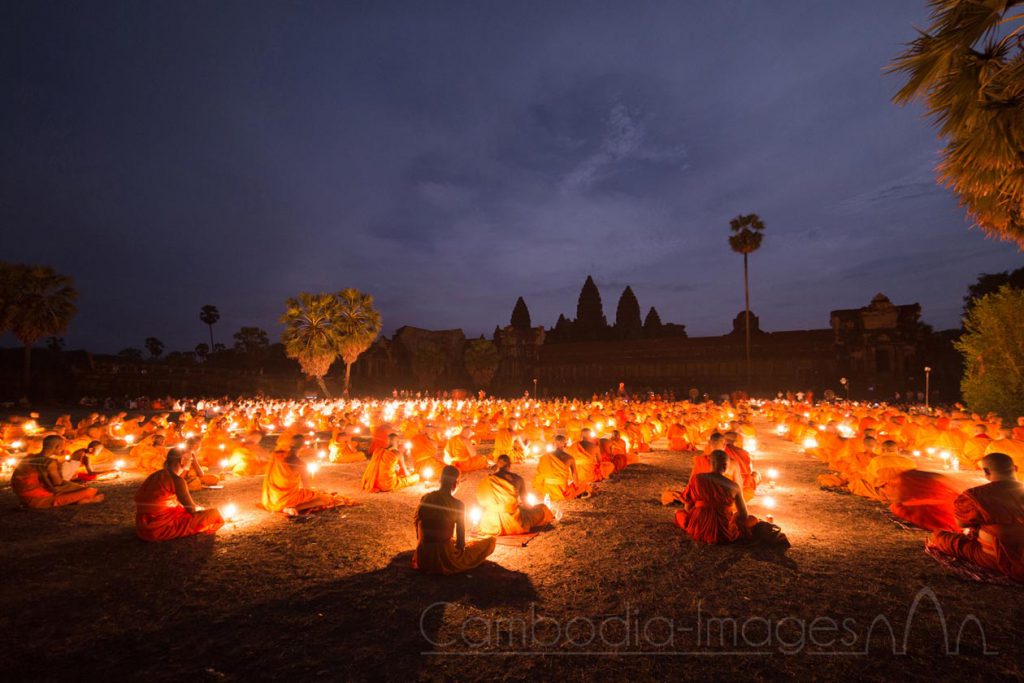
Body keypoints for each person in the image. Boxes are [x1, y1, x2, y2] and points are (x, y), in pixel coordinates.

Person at [928, 452, 1024, 582]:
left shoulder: (976, 495)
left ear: (986, 471)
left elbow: (961, 524)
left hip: (1000, 557)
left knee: (939, 537)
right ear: (1016, 468)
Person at [413, 465, 496, 575]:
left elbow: (417, 525)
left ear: (440, 480)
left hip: (423, 556)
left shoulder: (426, 498)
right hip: (443, 558)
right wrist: (460, 548)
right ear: (455, 484)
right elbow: (460, 542)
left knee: (450, 539)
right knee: (490, 542)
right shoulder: (458, 504)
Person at [134, 449, 225, 541]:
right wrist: (200, 509)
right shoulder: (177, 481)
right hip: (158, 528)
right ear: (182, 461)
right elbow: (191, 509)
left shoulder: (156, 475)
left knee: (183, 509)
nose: (191, 462)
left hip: (142, 526)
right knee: (214, 514)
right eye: (190, 460)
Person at [262, 434, 357, 515]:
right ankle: (292, 508)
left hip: (272, 497)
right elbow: (307, 487)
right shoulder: (300, 464)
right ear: (303, 447)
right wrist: (313, 492)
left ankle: (285, 507)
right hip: (288, 498)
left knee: (317, 494)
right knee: (324, 499)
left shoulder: (276, 455)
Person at [673, 450, 753, 544]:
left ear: (710, 463)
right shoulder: (734, 486)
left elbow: (688, 503)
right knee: (752, 520)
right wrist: (733, 516)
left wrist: (690, 517)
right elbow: (744, 514)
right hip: (723, 531)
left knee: (679, 514)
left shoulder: (697, 478)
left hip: (698, 527)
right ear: (726, 465)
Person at [11, 435, 104, 508]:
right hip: (38, 500)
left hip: (23, 498)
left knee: (78, 489)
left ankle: (80, 498)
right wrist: (79, 487)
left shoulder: (29, 458)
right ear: (57, 447)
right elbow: (58, 484)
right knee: (90, 491)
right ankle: (83, 499)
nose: (64, 450)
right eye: (62, 447)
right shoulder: (49, 462)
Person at [477, 454, 554, 535]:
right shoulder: (518, 479)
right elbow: (526, 503)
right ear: (509, 465)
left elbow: (482, 502)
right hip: (514, 522)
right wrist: (530, 510)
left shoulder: (488, 481)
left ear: (497, 465)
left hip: (490, 523)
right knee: (543, 509)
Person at [533, 435, 587, 501]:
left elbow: (539, 475)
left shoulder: (545, 457)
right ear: (565, 444)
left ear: (553, 444)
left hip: (548, 490)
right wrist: (575, 487)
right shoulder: (570, 458)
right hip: (563, 491)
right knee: (584, 485)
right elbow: (575, 478)